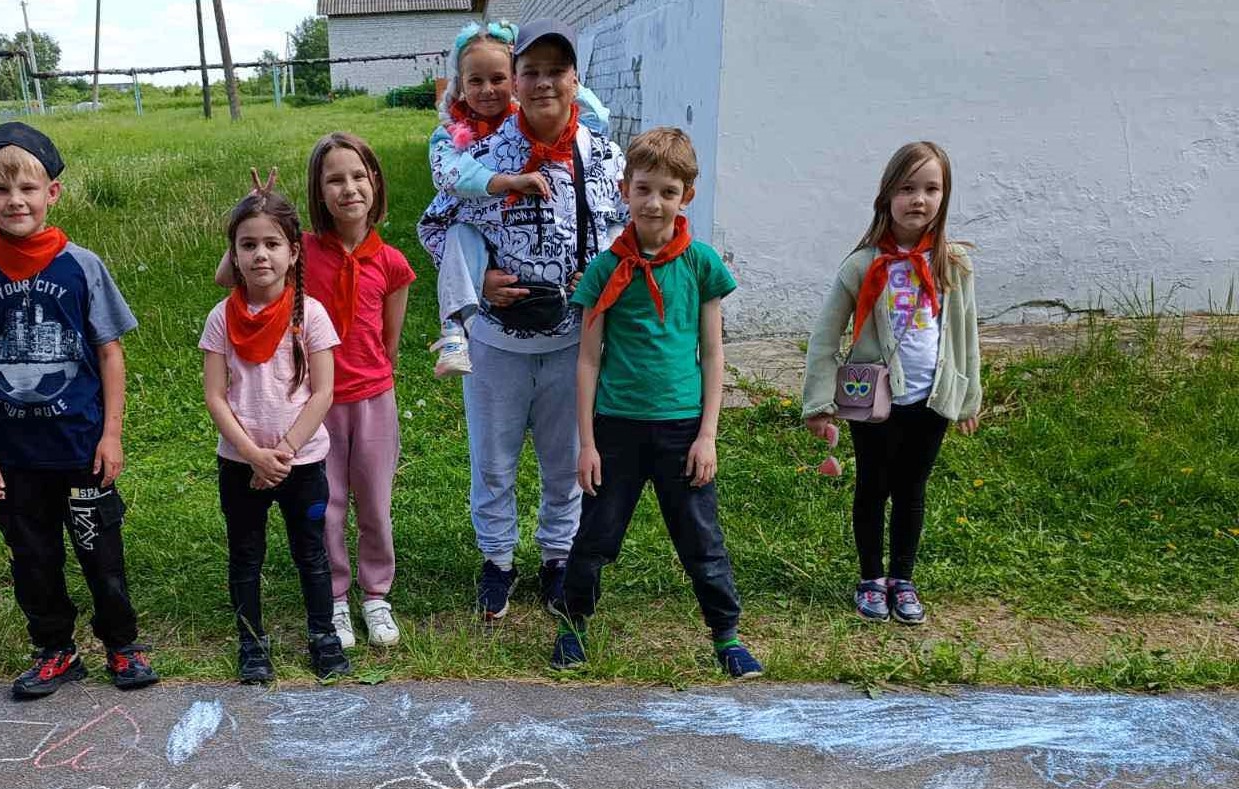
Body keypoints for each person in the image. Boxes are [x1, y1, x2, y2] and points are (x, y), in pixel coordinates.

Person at [0, 122, 158, 698]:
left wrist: (111, 435)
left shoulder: (81, 266)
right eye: (0, 190)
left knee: (100, 552)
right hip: (15, 456)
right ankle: (56, 649)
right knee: (32, 558)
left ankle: (121, 644)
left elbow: (110, 353)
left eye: (28, 189)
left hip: (80, 446)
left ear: (51, 193)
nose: (16, 201)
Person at [417, 18, 628, 621]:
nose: (542, 83)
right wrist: (478, 282)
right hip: (495, 343)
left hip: (572, 344)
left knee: (564, 463)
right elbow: (434, 225)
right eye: (530, 72)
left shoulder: (606, 159)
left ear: (574, 78)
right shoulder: (479, 156)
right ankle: (497, 563)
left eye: (554, 71)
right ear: (518, 81)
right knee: (494, 462)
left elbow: (624, 235)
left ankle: (557, 558)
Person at [555, 128, 763, 679]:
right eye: (643, 189)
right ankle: (572, 627)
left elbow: (713, 354)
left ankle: (727, 636)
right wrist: (587, 443)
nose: (654, 202)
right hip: (616, 428)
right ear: (624, 189)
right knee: (595, 538)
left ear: (686, 196)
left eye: (668, 191)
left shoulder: (700, 265)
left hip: (681, 429)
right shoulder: (605, 270)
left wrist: (707, 434)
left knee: (702, 540)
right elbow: (588, 361)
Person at [801, 141, 982, 625]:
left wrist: (967, 398)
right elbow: (825, 336)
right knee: (873, 486)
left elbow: (966, 336)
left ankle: (903, 578)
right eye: (907, 188)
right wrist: (819, 402)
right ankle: (870, 579)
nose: (918, 200)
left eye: (930, 188)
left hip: (932, 399)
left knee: (912, 488)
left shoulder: (955, 266)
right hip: (873, 400)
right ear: (886, 195)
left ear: (944, 196)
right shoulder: (862, 266)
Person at [200, 188, 351, 683]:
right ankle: (251, 641)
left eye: (272, 243)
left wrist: (282, 453)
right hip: (241, 464)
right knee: (245, 553)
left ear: (293, 252)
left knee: (311, 552)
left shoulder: (311, 315)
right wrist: (253, 455)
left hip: (301, 463)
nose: (260, 254)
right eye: (247, 245)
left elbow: (323, 393)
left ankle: (323, 635)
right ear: (234, 255)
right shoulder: (221, 318)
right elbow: (216, 396)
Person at [425, 19, 611, 377]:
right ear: (459, 85)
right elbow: (440, 207)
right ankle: (453, 330)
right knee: (457, 235)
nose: (488, 91)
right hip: (499, 338)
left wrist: (561, 81)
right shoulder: (457, 141)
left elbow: (598, 121)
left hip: (572, 336)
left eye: (498, 78)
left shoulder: (585, 146)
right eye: (475, 80)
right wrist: (505, 181)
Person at [303, 133, 415, 650]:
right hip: (316, 400)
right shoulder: (300, 252)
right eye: (334, 179)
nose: (348, 188)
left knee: (374, 500)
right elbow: (228, 275)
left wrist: (374, 378)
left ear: (375, 183)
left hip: (373, 399)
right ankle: (336, 597)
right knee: (328, 503)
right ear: (319, 192)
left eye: (357, 175)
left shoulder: (392, 262)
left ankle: (376, 594)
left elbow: (389, 343)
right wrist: (261, 211)